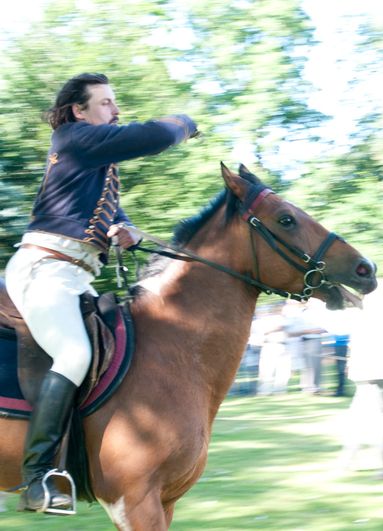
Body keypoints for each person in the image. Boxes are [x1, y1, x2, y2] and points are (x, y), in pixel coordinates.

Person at [4, 73, 197, 512]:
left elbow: (108, 212)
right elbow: (150, 136)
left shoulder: (97, 163)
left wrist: (124, 228)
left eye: (114, 102)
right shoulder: (73, 138)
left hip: (74, 276)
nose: (116, 109)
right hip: (44, 271)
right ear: (79, 110)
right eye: (106, 102)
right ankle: (37, 478)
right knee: (74, 354)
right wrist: (183, 123)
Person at [337, 279, 383, 478]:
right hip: (367, 374)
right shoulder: (374, 311)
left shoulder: (377, 309)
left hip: (372, 375)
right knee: (356, 421)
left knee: (375, 423)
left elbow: (354, 300)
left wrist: (338, 286)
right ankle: (346, 462)